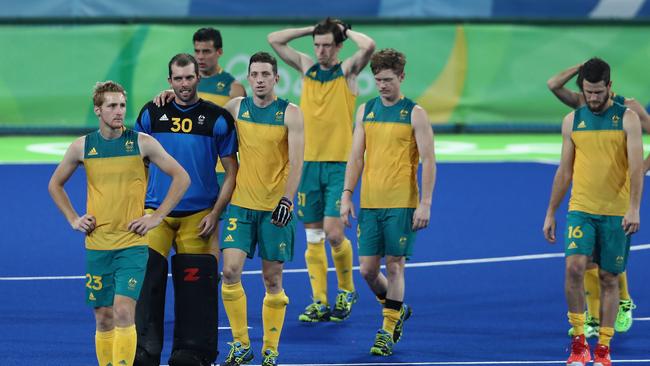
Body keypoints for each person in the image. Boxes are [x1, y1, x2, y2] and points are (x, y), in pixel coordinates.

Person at [48, 81, 190, 366]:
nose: (118, 111)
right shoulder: (83, 147)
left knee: (124, 312)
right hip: (98, 245)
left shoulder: (142, 143)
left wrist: (157, 216)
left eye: (122, 105)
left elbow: (181, 177)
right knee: (103, 316)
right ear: (98, 110)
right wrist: (73, 218)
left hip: (132, 245)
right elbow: (55, 185)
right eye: (112, 106)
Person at [133, 53, 239, 366]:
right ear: (169, 81)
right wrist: (139, 207)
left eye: (189, 78)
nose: (183, 85)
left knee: (197, 291)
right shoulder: (152, 113)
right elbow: (135, 163)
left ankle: (193, 352)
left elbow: (232, 172)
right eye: (177, 79)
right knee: (146, 283)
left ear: (198, 78)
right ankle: (143, 350)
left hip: (199, 217)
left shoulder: (217, 118)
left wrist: (215, 213)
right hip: (156, 216)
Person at [268, 17, 375, 322]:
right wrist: (310, 29)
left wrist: (346, 30)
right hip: (308, 164)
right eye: (317, 45)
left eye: (328, 45)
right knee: (313, 236)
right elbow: (275, 38)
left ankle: (346, 289)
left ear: (339, 46)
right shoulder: (307, 67)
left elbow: (369, 46)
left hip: (339, 163)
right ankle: (319, 300)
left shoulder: (348, 71)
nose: (321, 51)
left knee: (332, 232)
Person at [543, 58, 643, 366]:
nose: (594, 99)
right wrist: (551, 211)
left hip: (615, 212)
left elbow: (637, 167)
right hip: (581, 209)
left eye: (599, 92)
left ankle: (603, 348)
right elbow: (564, 171)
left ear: (610, 87)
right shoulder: (573, 120)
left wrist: (634, 208)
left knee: (609, 277)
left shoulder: (628, 118)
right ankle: (578, 343)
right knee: (574, 267)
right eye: (588, 92)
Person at [340, 48, 436, 356]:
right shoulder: (366, 111)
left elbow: (430, 161)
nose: (382, 85)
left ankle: (387, 329)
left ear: (402, 77)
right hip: (370, 203)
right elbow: (356, 156)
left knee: (395, 267)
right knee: (367, 270)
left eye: (388, 80)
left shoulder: (415, 113)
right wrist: (346, 195)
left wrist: (426, 203)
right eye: (378, 80)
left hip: (401, 203)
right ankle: (396, 309)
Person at [219, 52, 304, 366]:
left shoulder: (290, 113)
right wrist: (170, 96)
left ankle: (270, 350)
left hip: (274, 210)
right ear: (249, 78)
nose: (259, 80)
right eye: (254, 74)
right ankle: (241, 344)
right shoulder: (235, 108)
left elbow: (296, 162)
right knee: (229, 271)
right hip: (240, 205)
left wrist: (287, 199)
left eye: (265, 74)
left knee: (272, 280)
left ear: (276, 78)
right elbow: (201, 120)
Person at [156, 27, 247, 200]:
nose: (200, 57)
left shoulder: (233, 88)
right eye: (197, 51)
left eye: (206, 51)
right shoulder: (180, 87)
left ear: (219, 52)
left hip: (220, 169)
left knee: (210, 223)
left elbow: (241, 133)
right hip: (186, 167)